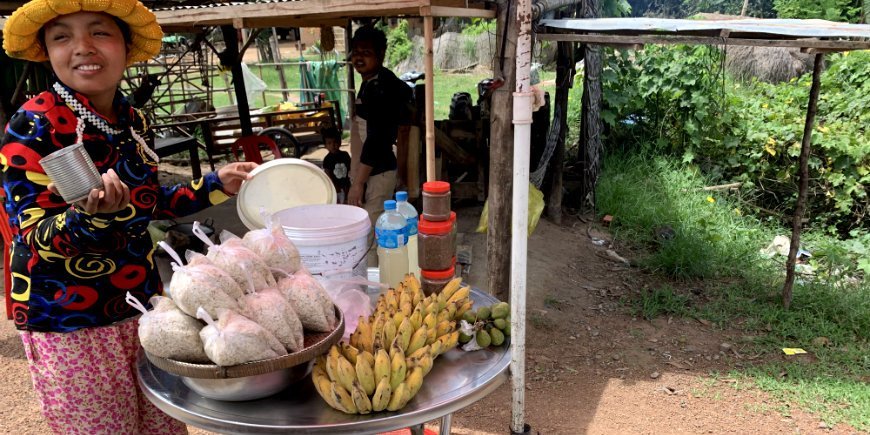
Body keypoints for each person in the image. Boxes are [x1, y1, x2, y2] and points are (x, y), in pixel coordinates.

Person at [1, 1, 257, 433]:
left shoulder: (130, 119)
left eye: (99, 32)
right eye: (62, 36)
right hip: (70, 320)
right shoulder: (33, 127)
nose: (82, 47)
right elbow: (33, 237)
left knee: (165, 423)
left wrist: (214, 183)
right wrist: (93, 219)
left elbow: (147, 203)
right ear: (46, 52)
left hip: (142, 305)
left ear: (125, 45)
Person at [347, 25, 414, 226]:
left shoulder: (380, 89)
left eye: (366, 53)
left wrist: (358, 183)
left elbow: (377, 139)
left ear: (381, 54)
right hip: (375, 171)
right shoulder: (376, 81)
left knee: (371, 233)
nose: (359, 58)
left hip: (376, 173)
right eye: (356, 52)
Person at [321, 126, 351, 203]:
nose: (333, 145)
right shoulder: (327, 159)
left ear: (340, 142)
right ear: (325, 145)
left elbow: (350, 169)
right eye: (329, 143)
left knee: (348, 202)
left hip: (347, 185)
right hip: (336, 188)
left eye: (335, 142)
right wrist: (333, 186)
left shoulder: (345, 155)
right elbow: (328, 175)